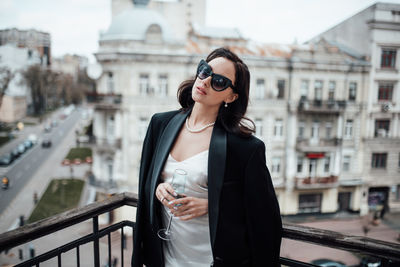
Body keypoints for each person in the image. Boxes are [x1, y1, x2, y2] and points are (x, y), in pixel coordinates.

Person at [132, 47, 282, 267]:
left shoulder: (245, 148)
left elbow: (265, 218)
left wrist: (212, 206)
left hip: (211, 260)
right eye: (204, 71)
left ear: (231, 95)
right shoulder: (160, 125)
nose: (205, 81)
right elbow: (145, 185)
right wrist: (157, 188)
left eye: (219, 81)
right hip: (164, 259)